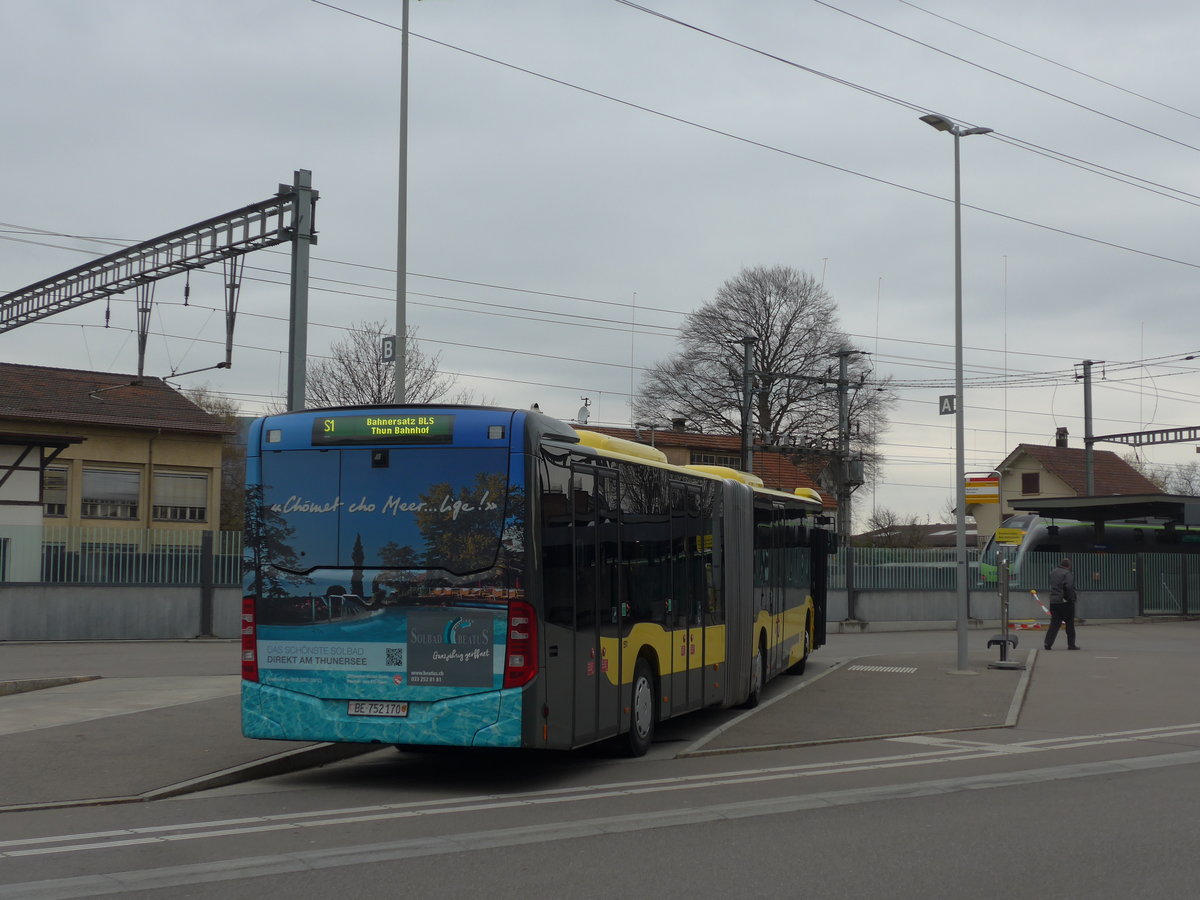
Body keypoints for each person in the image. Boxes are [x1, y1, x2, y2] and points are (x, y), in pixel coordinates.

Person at [1045, 558, 1079, 650]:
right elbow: (1068, 586)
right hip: (1065, 602)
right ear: (1069, 566)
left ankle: (1048, 643)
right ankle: (1071, 645)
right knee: (1069, 624)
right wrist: (1070, 598)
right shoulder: (1067, 574)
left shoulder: (1053, 572)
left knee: (1054, 623)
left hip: (1054, 601)